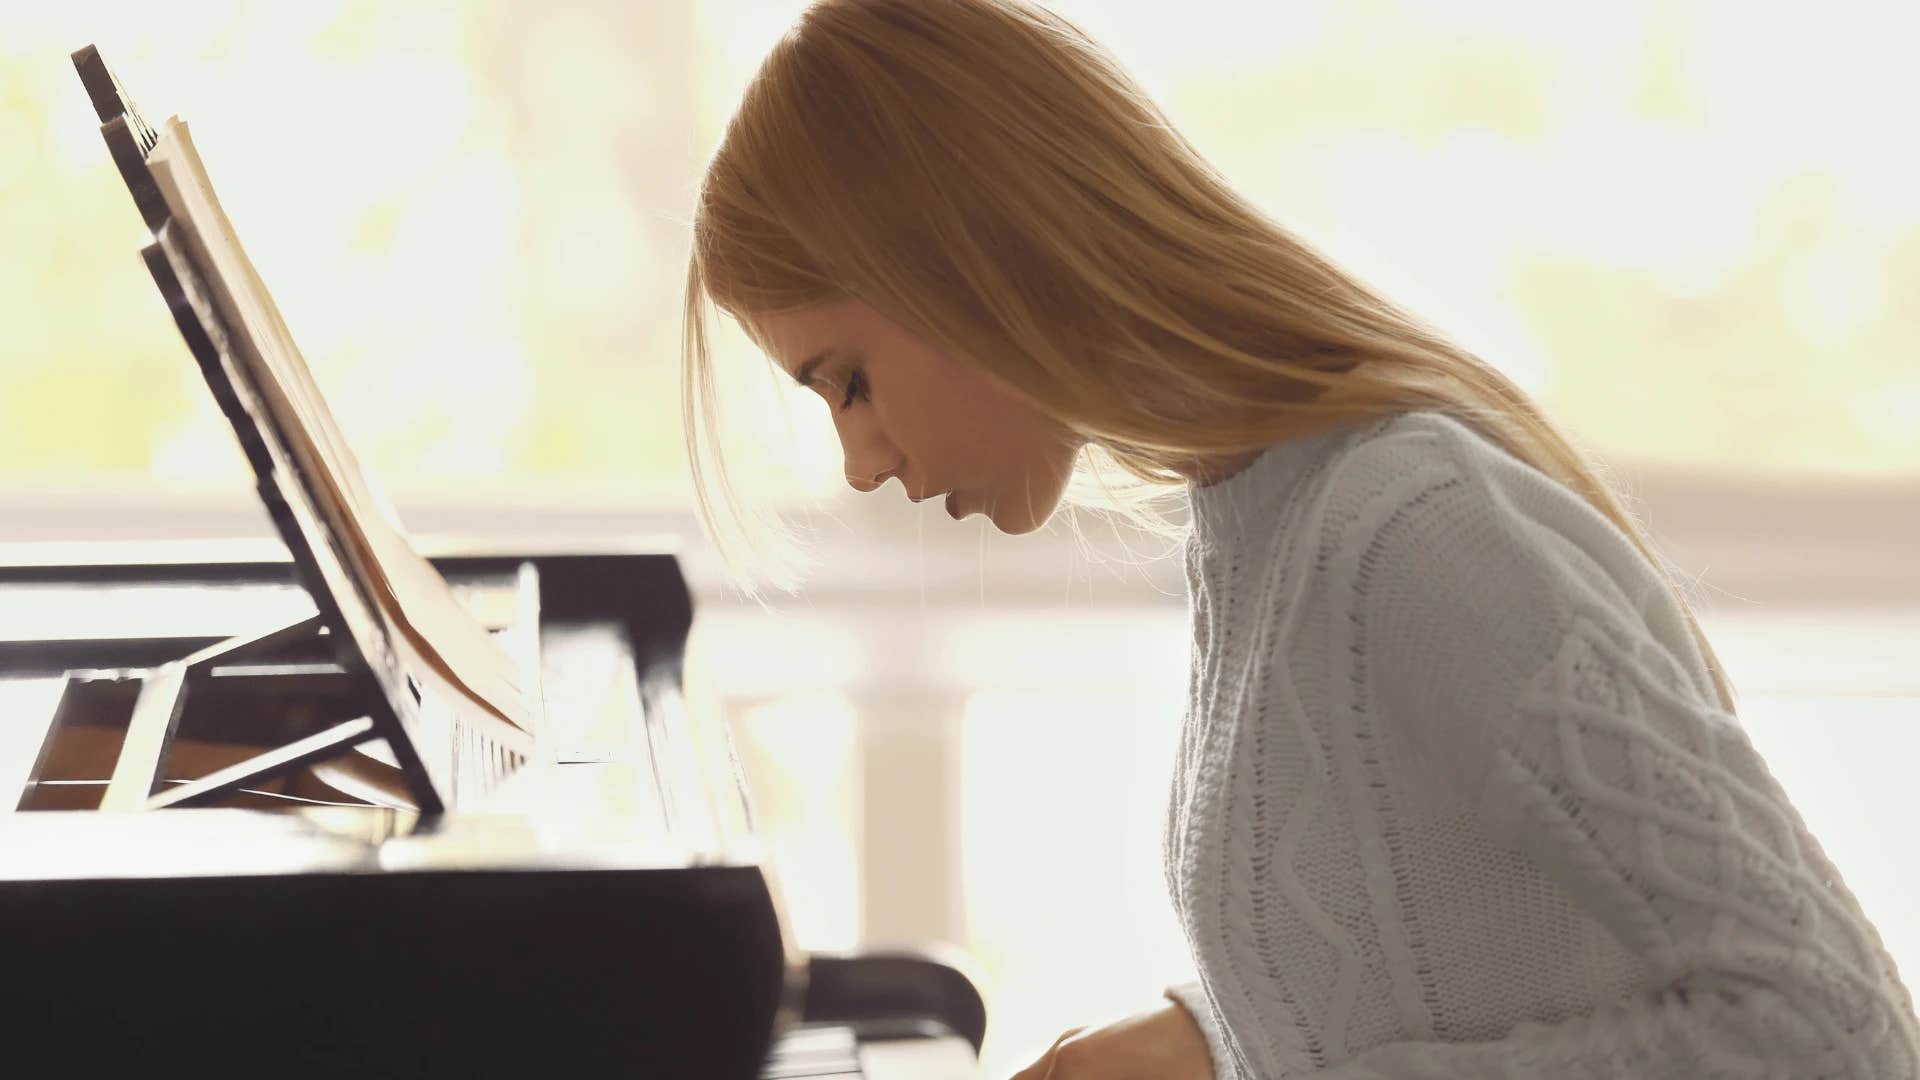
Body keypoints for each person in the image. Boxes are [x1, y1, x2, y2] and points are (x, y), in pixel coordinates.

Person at [678, 1, 1920, 1077]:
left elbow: (1837, 1036)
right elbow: (1457, 960)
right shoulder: (1257, 518)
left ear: (967, 256)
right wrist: (1208, 1045)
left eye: (848, 382)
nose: (863, 461)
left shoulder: (1417, 530)